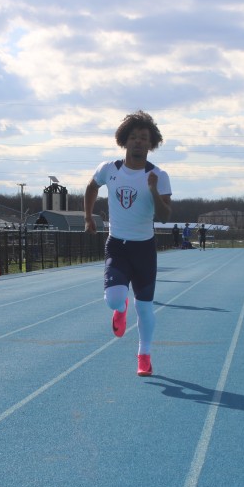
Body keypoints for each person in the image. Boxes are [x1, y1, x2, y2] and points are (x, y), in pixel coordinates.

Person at [84, 111, 172, 377]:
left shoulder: (159, 175)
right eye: (133, 137)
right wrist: (88, 217)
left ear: (151, 143)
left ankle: (144, 355)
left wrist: (153, 189)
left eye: (143, 137)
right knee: (113, 300)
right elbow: (91, 187)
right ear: (124, 140)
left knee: (144, 307)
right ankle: (120, 309)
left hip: (144, 248)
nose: (138, 142)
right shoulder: (109, 169)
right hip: (117, 245)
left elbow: (165, 216)